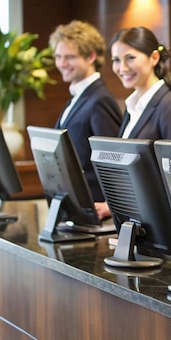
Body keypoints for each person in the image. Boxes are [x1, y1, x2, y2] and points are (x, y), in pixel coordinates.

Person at [93, 26, 171, 219]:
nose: (122, 68)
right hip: (135, 220)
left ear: (154, 58)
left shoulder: (169, 106)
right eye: (116, 60)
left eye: (130, 58)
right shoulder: (133, 106)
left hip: (160, 223)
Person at [50, 20, 123, 205]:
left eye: (69, 57)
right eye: (58, 56)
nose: (62, 63)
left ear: (91, 56)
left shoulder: (100, 99)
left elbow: (113, 161)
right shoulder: (77, 96)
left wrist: (111, 205)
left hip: (95, 208)